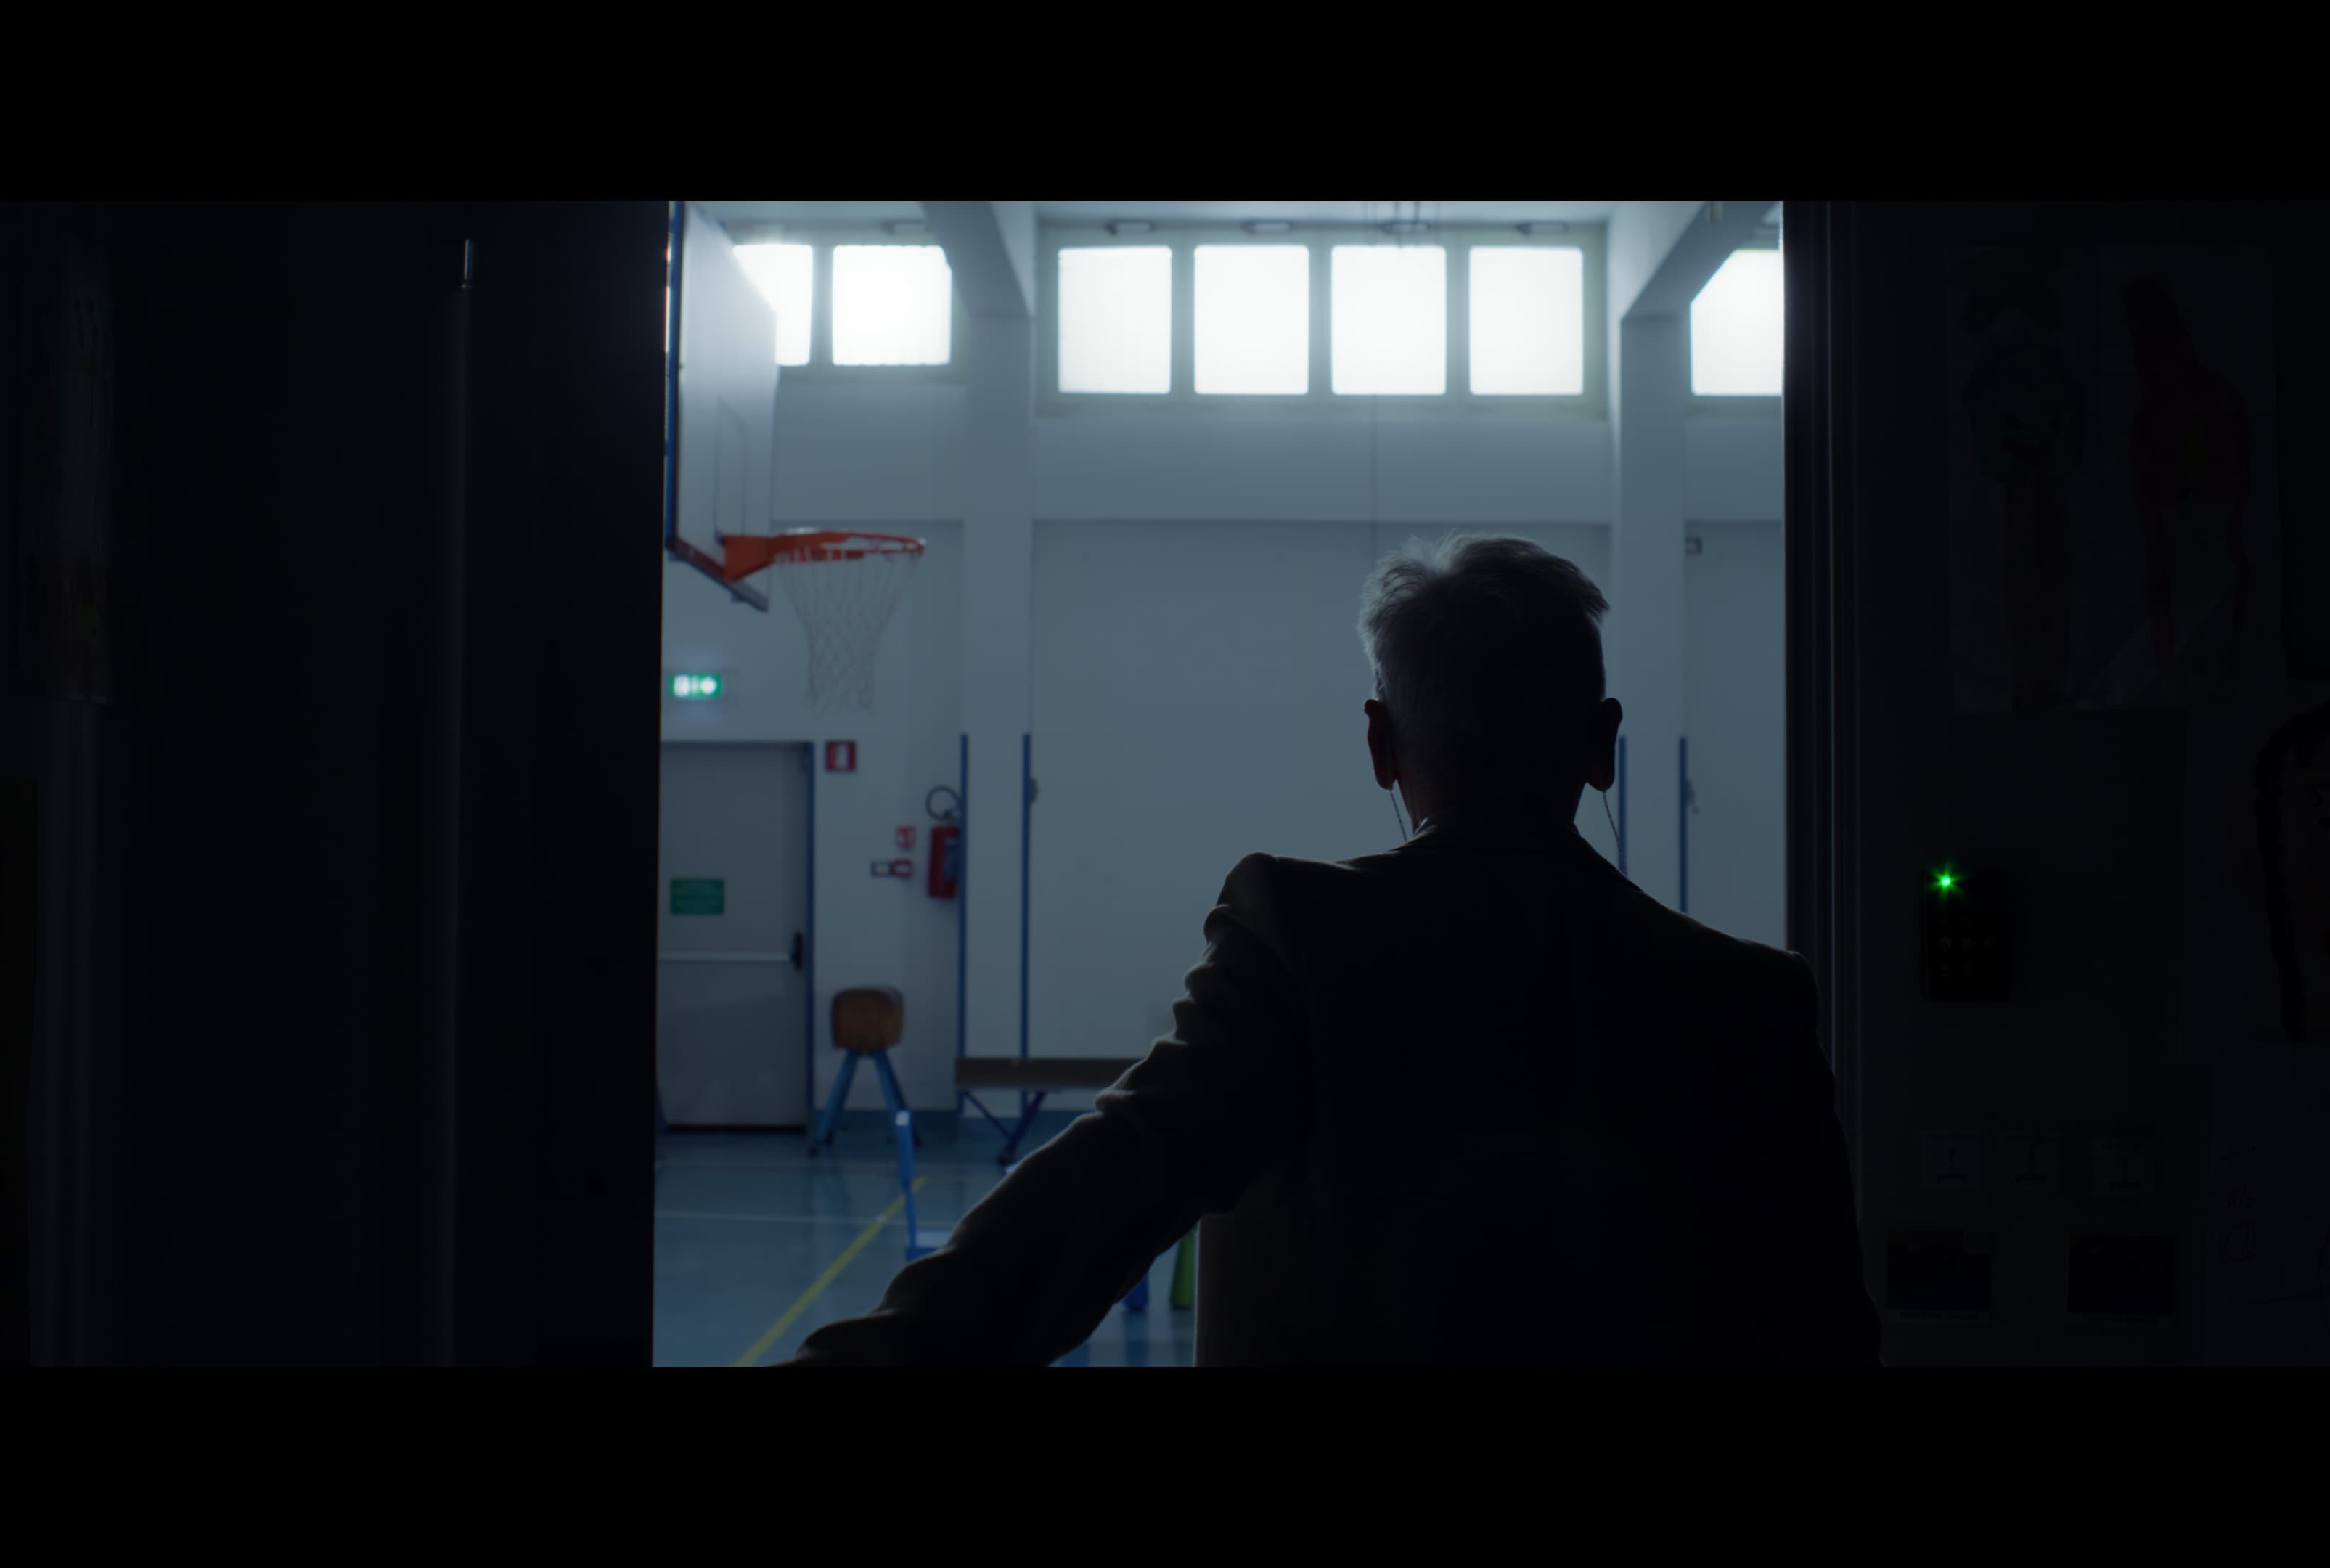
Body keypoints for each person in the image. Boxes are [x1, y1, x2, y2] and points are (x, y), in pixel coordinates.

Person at [783, 535, 1881, 1366]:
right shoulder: (1753, 1002)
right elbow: (1823, 1325)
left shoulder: (1302, 936)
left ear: (1378, 742)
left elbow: (1111, 1184)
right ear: (1605, 744)